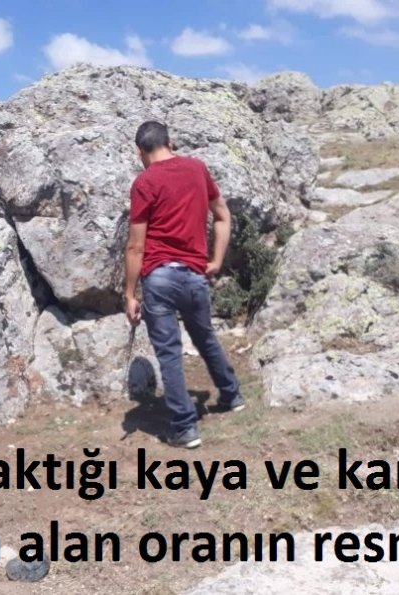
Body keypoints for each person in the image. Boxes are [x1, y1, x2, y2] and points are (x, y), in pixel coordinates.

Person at [124, 121, 244, 449]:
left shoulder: (144, 182)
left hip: (159, 277)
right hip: (194, 275)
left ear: (140, 151)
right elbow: (223, 215)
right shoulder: (197, 169)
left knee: (169, 353)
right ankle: (232, 395)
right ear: (171, 142)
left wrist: (130, 294)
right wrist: (216, 260)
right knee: (205, 337)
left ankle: (185, 428)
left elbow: (136, 246)